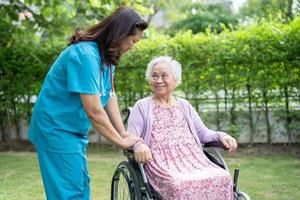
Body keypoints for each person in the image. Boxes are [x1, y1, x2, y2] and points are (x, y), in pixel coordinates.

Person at [28, 6, 148, 200]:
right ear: (120, 34)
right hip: (56, 129)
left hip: (73, 130)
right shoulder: (85, 55)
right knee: (70, 193)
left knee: (81, 186)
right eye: (133, 40)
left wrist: (123, 131)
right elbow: (94, 111)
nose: (133, 46)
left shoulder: (107, 58)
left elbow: (109, 96)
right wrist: (120, 141)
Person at [127, 56, 238, 200]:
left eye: (164, 76)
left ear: (175, 80)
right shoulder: (142, 106)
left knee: (222, 176)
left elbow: (203, 133)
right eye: (154, 76)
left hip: (194, 161)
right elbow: (131, 137)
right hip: (162, 164)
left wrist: (223, 136)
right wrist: (139, 144)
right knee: (178, 183)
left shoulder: (184, 105)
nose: (159, 80)